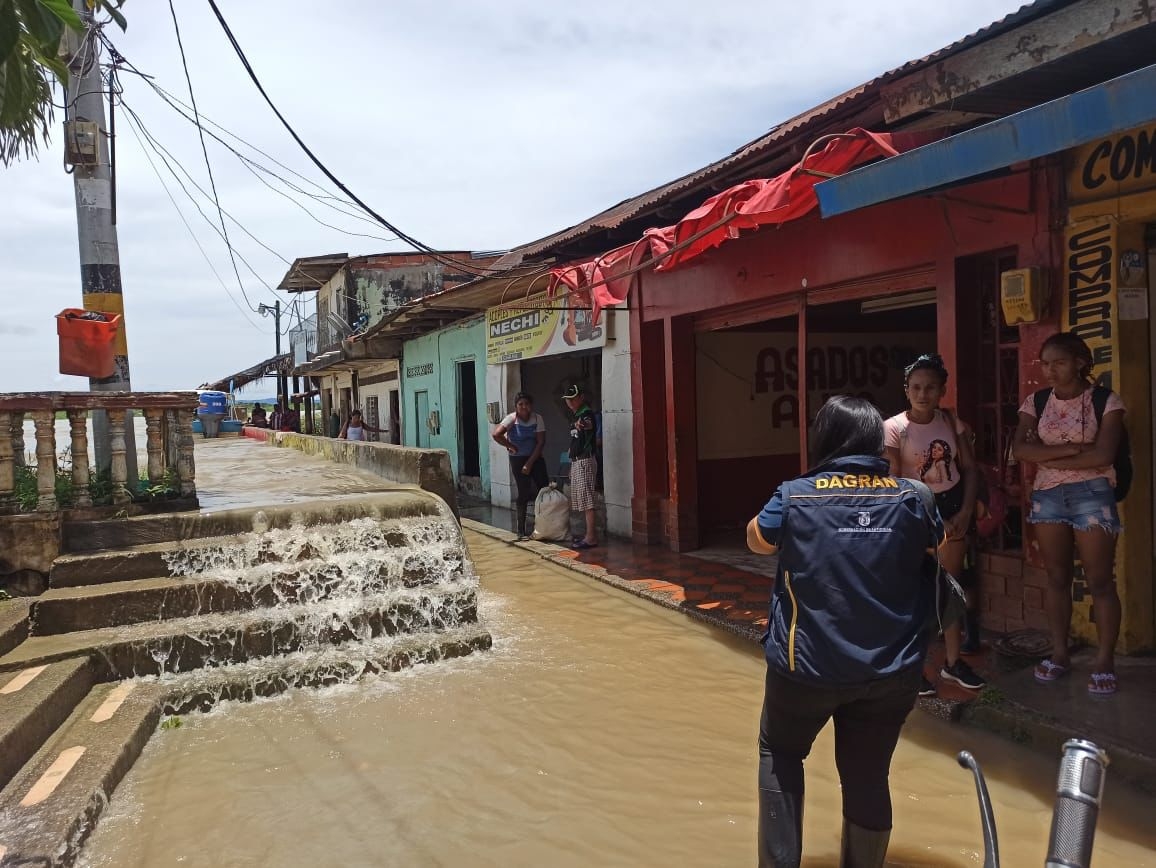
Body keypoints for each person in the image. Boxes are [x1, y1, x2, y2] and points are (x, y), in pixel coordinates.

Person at [747, 395, 944, 868]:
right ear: (875, 441)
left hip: (806, 667)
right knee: (868, 775)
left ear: (824, 439)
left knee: (780, 753)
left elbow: (757, 541)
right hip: (892, 670)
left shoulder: (795, 495)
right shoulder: (913, 496)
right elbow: (937, 542)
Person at [1012, 332, 1125, 696]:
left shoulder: (1106, 401)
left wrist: (1048, 456)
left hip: (1093, 494)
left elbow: (1103, 455)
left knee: (1100, 580)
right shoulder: (1036, 401)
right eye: (1045, 364)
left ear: (1079, 362)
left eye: (1059, 363)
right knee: (1057, 577)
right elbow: (1020, 450)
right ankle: (1059, 653)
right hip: (1048, 496)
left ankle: (1104, 660)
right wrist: (1076, 449)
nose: (1050, 371)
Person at [883, 354, 986, 696]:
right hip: (914, 510)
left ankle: (953, 662)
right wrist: (918, 519)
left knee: (949, 588)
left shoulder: (952, 422)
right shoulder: (893, 428)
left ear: (942, 391)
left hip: (953, 511)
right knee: (916, 593)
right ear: (906, 390)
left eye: (930, 388)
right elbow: (893, 480)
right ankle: (913, 668)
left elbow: (969, 469)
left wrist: (966, 511)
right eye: (916, 387)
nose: (922, 394)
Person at [492, 392, 549, 540]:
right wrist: (510, 445)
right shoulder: (511, 419)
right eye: (520, 404)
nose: (524, 407)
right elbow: (496, 434)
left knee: (544, 490)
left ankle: (545, 526)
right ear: (516, 406)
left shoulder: (537, 418)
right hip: (518, 459)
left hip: (536, 458)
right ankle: (521, 531)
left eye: (527, 404)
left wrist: (529, 463)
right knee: (524, 492)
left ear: (531, 405)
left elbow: (541, 442)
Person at [562, 384, 598, 549]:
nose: (570, 402)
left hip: (585, 461)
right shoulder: (576, 415)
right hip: (577, 461)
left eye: (573, 398)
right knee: (582, 500)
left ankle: (591, 537)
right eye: (567, 399)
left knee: (587, 500)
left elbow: (587, 424)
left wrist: (580, 424)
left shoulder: (586, 414)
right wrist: (571, 464)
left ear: (581, 397)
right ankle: (587, 535)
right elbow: (574, 442)